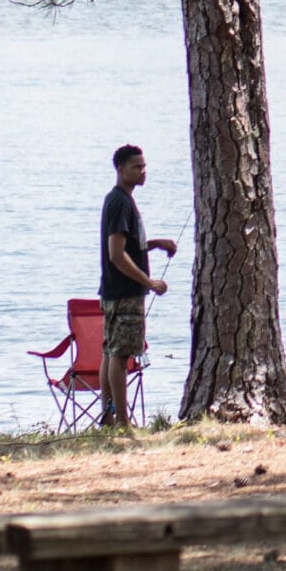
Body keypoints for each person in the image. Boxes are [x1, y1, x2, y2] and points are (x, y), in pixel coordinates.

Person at [99, 144, 177, 428]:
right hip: (125, 293)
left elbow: (129, 245)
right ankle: (122, 421)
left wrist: (156, 244)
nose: (143, 172)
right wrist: (149, 282)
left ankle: (108, 418)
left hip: (112, 292)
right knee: (119, 356)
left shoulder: (122, 201)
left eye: (144, 166)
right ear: (120, 170)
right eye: (136, 167)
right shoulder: (119, 201)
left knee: (110, 352)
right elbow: (116, 254)